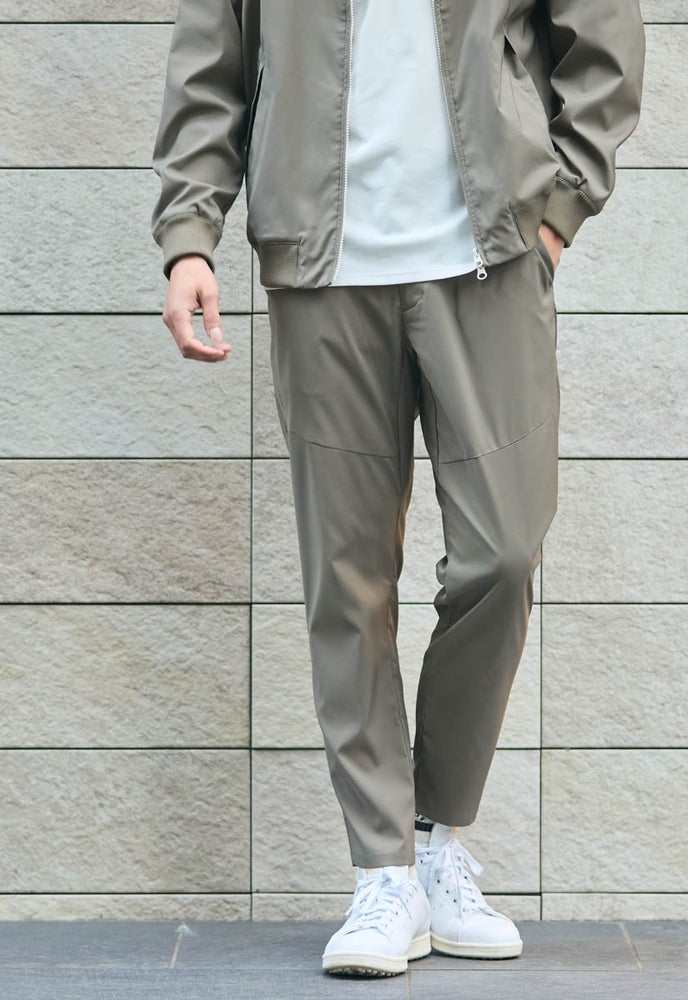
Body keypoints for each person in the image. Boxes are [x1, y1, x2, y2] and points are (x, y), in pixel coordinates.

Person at [151, 0, 646, 978]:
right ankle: (382, 871)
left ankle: (431, 835)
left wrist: (556, 210)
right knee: (348, 578)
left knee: (503, 551)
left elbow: (600, 37)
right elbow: (213, 57)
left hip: (489, 254)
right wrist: (190, 234)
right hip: (321, 260)